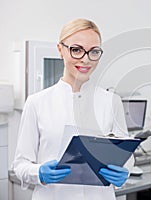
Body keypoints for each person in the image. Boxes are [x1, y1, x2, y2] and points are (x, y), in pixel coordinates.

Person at [13, 18, 133, 200]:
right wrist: (39, 173)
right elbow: (20, 165)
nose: (85, 59)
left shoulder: (112, 102)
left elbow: (125, 156)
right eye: (76, 50)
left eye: (94, 51)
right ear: (60, 50)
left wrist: (124, 171)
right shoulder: (37, 102)